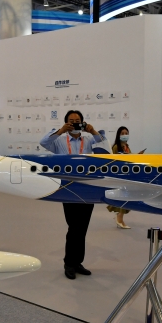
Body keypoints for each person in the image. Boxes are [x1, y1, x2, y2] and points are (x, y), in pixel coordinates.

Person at [40, 110, 104, 279]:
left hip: (87, 186)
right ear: (66, 122)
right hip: (68, 188)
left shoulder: (88, 140)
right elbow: (43, 142)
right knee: (74, 226)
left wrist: (93, 131)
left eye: (77, 120)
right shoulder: (59, 141)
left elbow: (105, 145)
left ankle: (77, 262)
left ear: (83, 122)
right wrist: (60, 131)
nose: (74, 123)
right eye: (71, 120)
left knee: (83, 227)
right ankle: (69, 263)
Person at [106, 126, 145, 229]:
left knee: (125, 197)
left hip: (127, 175)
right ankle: (120, 219)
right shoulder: (116, 147)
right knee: (123, 197)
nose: (124, 135)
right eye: (122, 133)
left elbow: (129, 158)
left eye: (126, 133)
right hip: (120, 176)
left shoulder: (126, 146)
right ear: (118, 135)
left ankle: (119, 218)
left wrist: (137, 156)